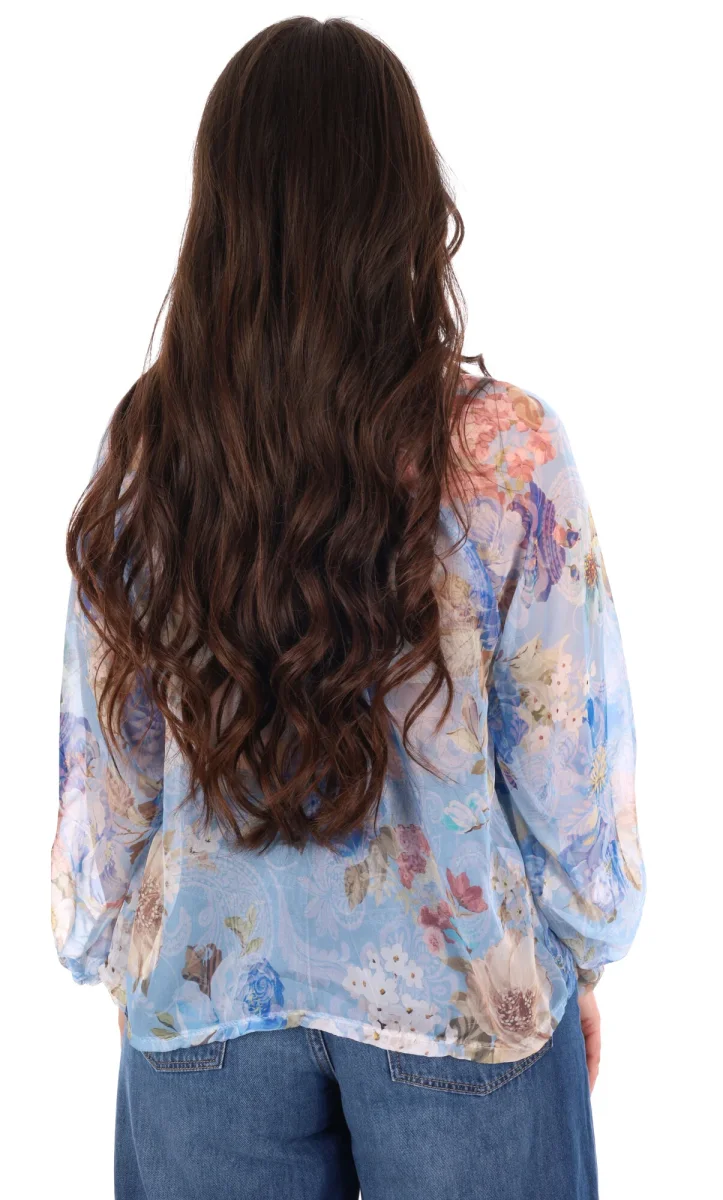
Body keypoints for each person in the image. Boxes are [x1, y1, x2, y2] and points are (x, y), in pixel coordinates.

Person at [50, 16, 645, 1200]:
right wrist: (578, 950)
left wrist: (117, 950)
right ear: (406, 205)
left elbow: (105, 762)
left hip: (204, 999)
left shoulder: (153, 454)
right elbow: (568, 755)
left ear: (221, 214)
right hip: (464, 996)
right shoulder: (506, 457)